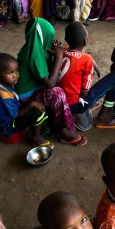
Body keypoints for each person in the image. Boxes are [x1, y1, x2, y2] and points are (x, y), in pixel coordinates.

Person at [15, 18, 86, 146]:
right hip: (26, 99)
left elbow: (48, 73)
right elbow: (50, 84)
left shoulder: (37, 50)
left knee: (57, 88)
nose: (51, 40)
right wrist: (59, 56)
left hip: (36, 91)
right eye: (49, 37)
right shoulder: (34, 54)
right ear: (41, 38)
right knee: (57, 92)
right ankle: (63, 131)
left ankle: (56, 124)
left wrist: (53, 54)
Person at [57, 22, 115, 129]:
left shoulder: (64, 50)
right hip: (75, 106)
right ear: (85, 41)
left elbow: (80, 53)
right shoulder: (86, 60)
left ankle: (92, 103)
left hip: (60, 101)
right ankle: (100, 118)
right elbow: (84, 94)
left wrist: (95, 65)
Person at [0, 53, 49, 146]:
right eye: (10, 73)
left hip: (9, 118)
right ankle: (35, 138)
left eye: (16, 70)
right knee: (38, 112)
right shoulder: (3, 95)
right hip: (9, 126)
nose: (15, 75)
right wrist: (31, 104)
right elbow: (16, 115)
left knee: (34, 105)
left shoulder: (1, 82)